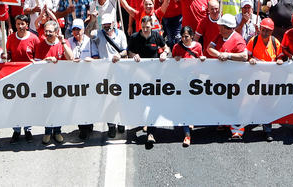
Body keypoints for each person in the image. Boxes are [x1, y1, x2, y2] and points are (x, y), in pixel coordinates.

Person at [128, 15, 167, 148]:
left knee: (153, 104)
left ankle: (151, 133)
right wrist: (134, 55)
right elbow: (129, 52)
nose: (145, 29)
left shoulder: (156, 36)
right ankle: (145, 122)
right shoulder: (134, 37)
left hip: (154, 77)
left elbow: (166, 47)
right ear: (140, 26)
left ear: (152, 26)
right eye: (143, 27)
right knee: (142, 103)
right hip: (139, 77)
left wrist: (164, 53)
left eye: (148, 27)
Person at [86, 13, 128, 139]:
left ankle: (121, 122)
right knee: (108, 100)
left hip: (119, 70)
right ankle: (111, 125)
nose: (107, 27)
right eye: (104, 25)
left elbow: (125, 50)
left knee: (120, 98)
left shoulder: (120, 34)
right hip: (104, 71)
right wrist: (93, 20)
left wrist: (119, 55)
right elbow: (87, 32)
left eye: (109, 24)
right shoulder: (98, 34)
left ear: (113, 23)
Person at [36, 20, 72, 145]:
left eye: (50, 31)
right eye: (46, 31)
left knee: (58, 108)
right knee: (47, 108)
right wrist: (46, 60)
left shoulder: (64, 42)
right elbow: (36, 65)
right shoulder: (41, 45)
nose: (47, 34)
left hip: (60, 82)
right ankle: (47, 131)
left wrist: (62, 42)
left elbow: (71, 58)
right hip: (46, 83)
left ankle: (57, 131)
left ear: (57, 32)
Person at [7, 14, 40, 143]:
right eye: (18, 24)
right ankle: (16, 130)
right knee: (15, 105)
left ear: (27, 25)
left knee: (27, 104)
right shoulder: (10, 38)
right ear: (15, 25)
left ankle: (28, 129)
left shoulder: (34, 39)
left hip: (29, 78)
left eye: (23, 24)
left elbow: (38, 58)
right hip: (14, 77)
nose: (20, 26)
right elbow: (8, 55)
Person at [172, 26, 204, 146]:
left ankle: (191, 120)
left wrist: (202, 59)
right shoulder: (177, 47)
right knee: (185, 106)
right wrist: (175, 59)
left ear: (191, 36)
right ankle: (187, 135)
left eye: (187, 36)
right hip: (182, 81)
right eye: (183, 36)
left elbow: (201, 61)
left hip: (195, 82)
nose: (184, 39)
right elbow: (173, 64)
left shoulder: (198, 46)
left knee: (193, 105)